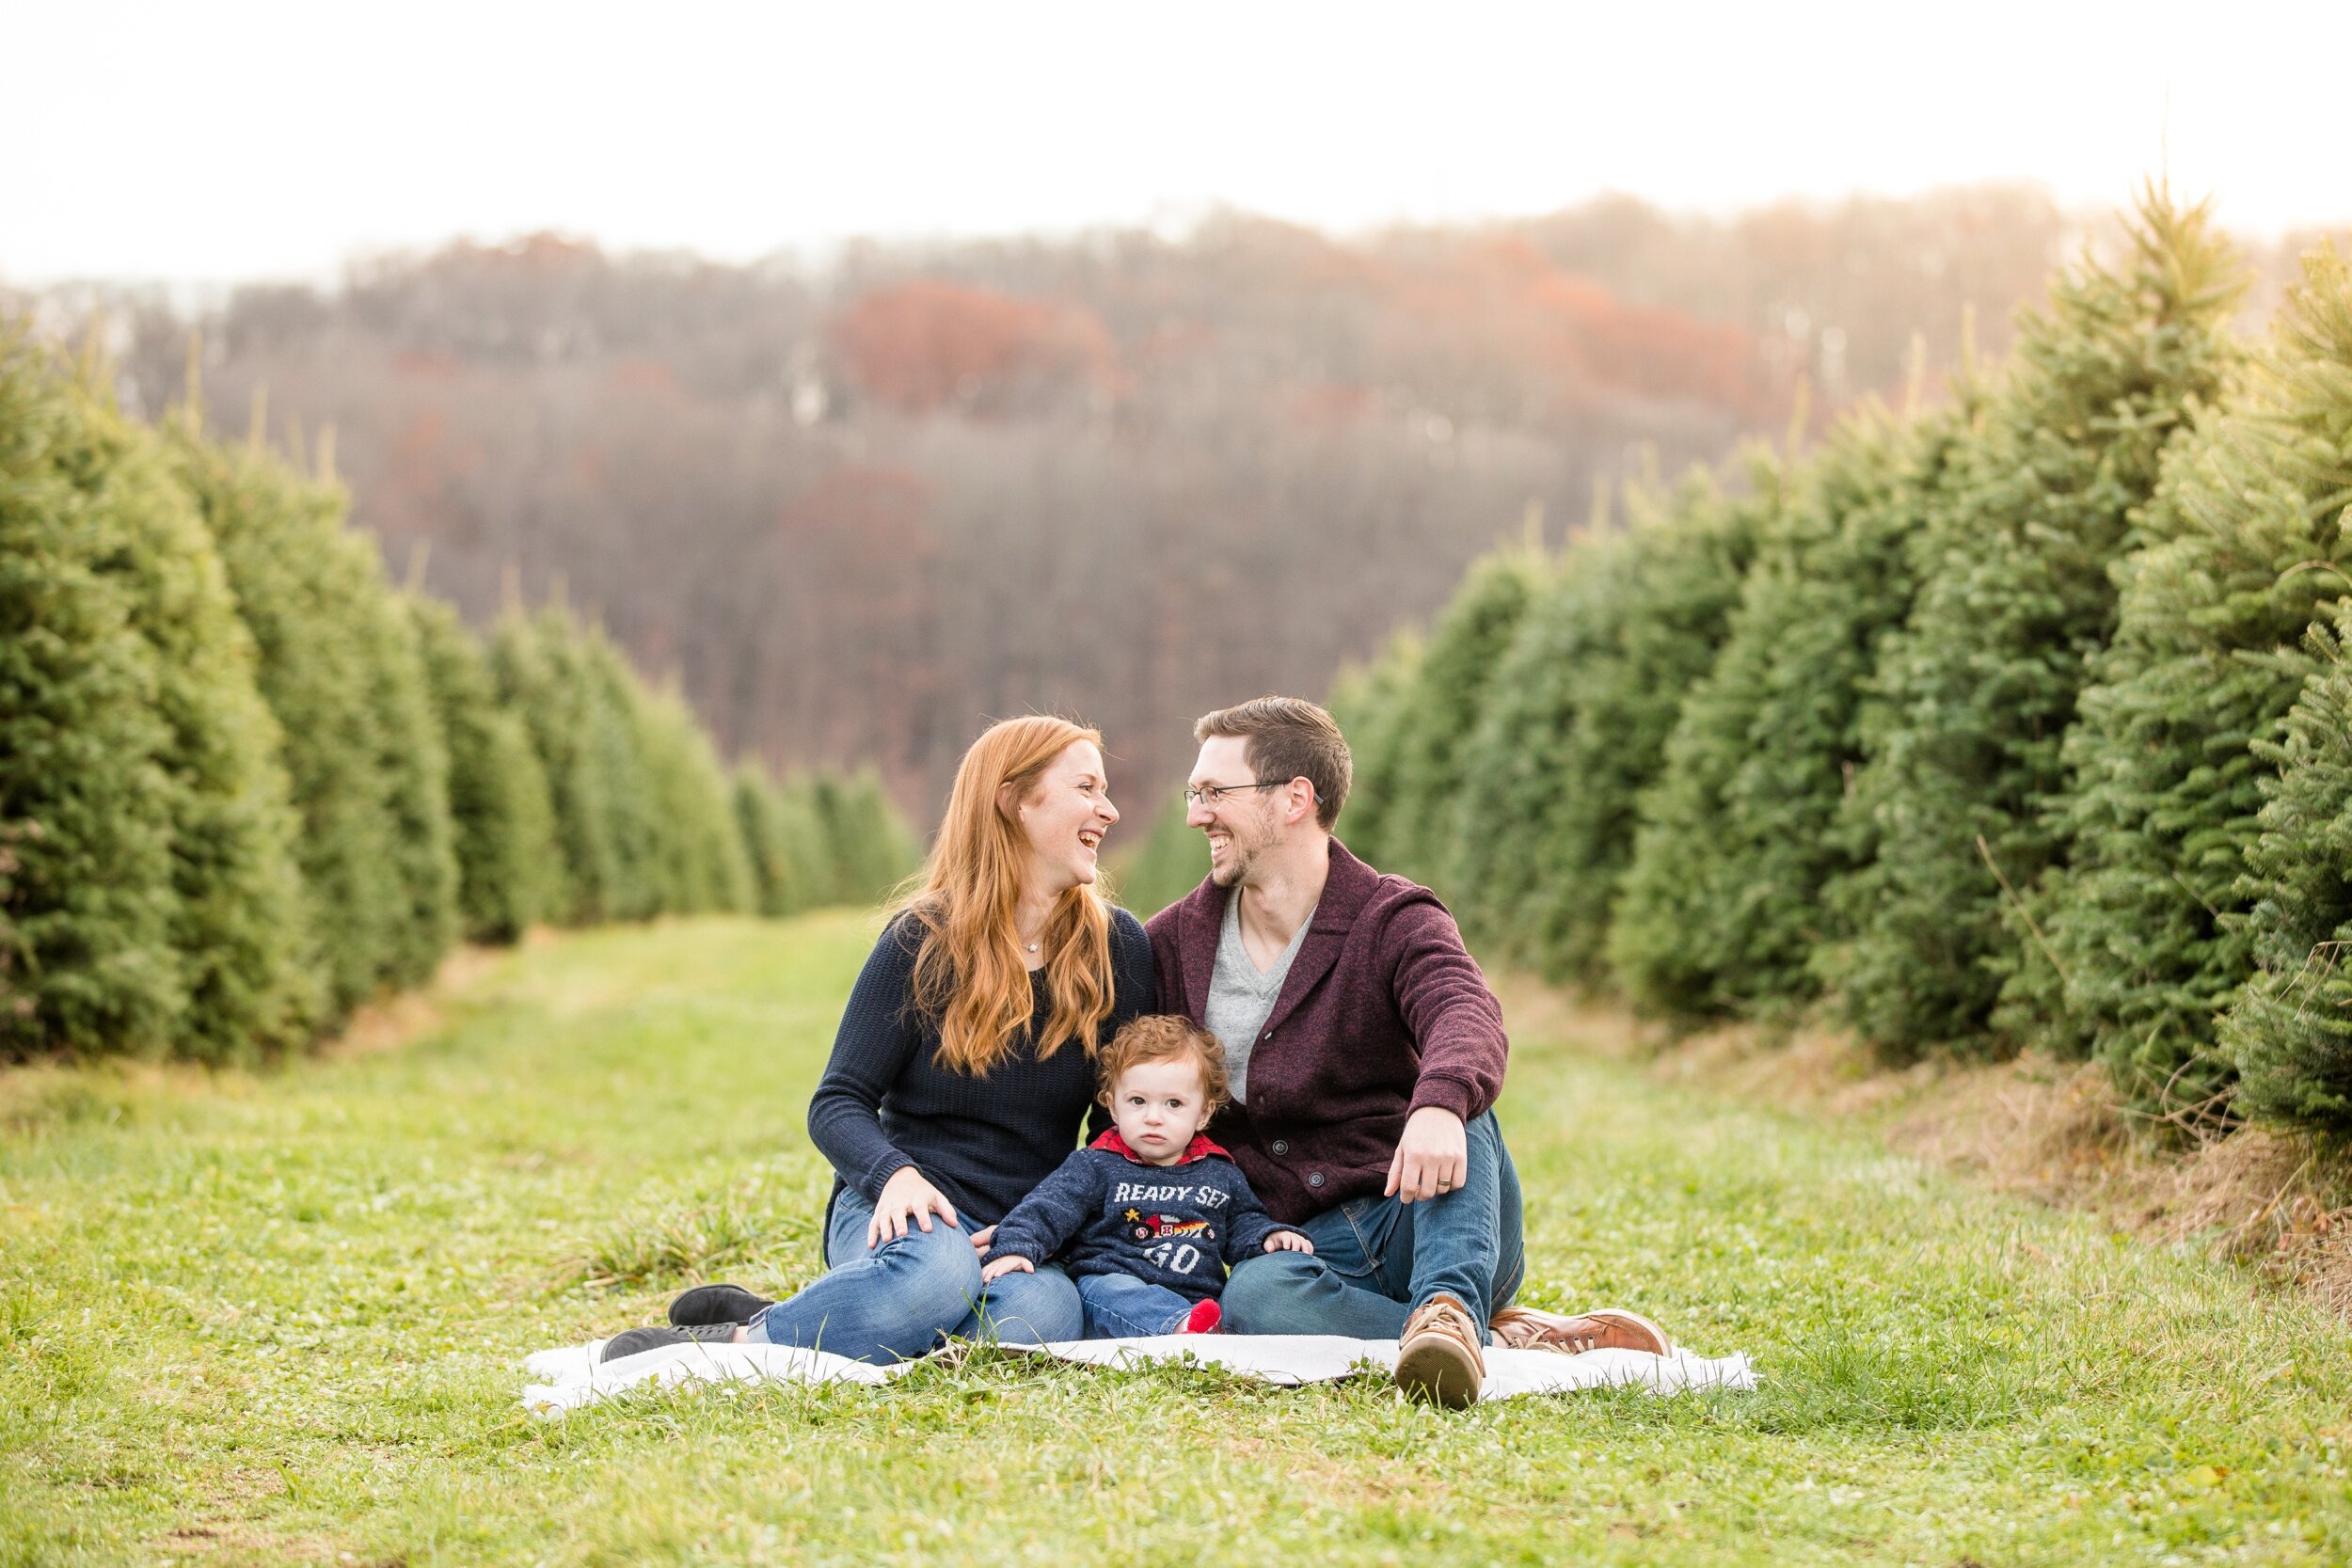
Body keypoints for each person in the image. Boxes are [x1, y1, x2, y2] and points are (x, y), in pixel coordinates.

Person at [1147, 696, 1670, 1406]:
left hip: (1433, 1210)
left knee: (1460, 1099)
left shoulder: (1392, 916)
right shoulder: (1174, 942)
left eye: (1215, 792)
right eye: (1193, 792)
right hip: (1304, 1250)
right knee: (1257, 1301)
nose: (1195, 813)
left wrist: (1439, 1104)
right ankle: (1486, 1338)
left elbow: (1464, 1009)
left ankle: (1453, 1306)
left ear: (1295, 797)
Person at [600, 716, 1155, 1365]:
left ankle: (814, 1316)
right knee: (937, 1274)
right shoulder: (922, 941)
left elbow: (1113, 1130)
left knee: (1043, 1315)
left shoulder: (1117, 948)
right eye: (1087, 786)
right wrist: (895, 1176)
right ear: (1012, 801)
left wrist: (1046, 1227)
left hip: (1022, 1229)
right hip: (903, 1208)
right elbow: (836, 1100)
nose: (1109, 809)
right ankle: (734, 1344)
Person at [980, 1014, 1313, 1338]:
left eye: (1174, 1104)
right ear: (1113, 1107)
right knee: (1114, 1288)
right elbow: (1048, 1207)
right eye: (1138, 1101)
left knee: (1234, 1302)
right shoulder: (1097, 1164)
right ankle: (1181, 1329)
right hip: (1111, 1291)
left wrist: (1268, 1236)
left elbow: (1244, 1222)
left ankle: (1195, 1326)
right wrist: (1017, 1246)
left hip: (1197, 1297)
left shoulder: (1220, 1171)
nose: (1153, 1117)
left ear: (1204, 1113)